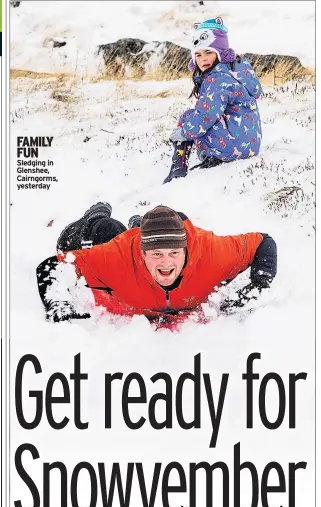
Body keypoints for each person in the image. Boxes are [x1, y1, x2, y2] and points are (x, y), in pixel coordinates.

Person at [36, 204, 277, 324]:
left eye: (174, 253)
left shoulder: (211, 253)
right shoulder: (117, 256)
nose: (166, 263)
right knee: (107, 231)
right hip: (116, 244)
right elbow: (53, 265)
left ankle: (137, 224)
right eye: (156, 254)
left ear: (186, 250)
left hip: (146, 239)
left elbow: (263, 242)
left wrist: (259, 283)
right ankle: (96, 216)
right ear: (142, 254)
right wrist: (59, 306)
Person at [164, 17, 262, 183]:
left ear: (221, 53)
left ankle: (178, 166)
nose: (203, 59)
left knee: (189, 118)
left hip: (230, 148)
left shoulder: (217, 79)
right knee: (198, 118)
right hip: (251, 145)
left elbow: (206, 115)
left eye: (209, 53)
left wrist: (184, 132)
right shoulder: (238, 71)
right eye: (198, 54)